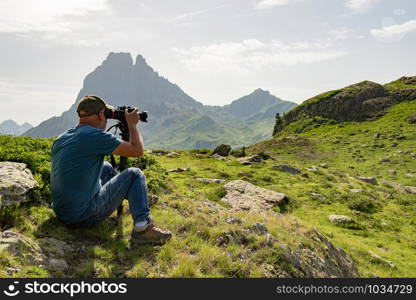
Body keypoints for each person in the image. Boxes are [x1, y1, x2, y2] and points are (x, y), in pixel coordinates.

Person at [50, 95, 172, 245]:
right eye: (107, 115)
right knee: (134, 174)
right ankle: (143, 229)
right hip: (83, 216)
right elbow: (137, 150)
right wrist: (132, 125)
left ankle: (138, 197)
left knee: (106, 167)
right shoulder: (94, 136)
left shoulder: (63, 137)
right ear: (101, 115)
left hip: (62, 212)